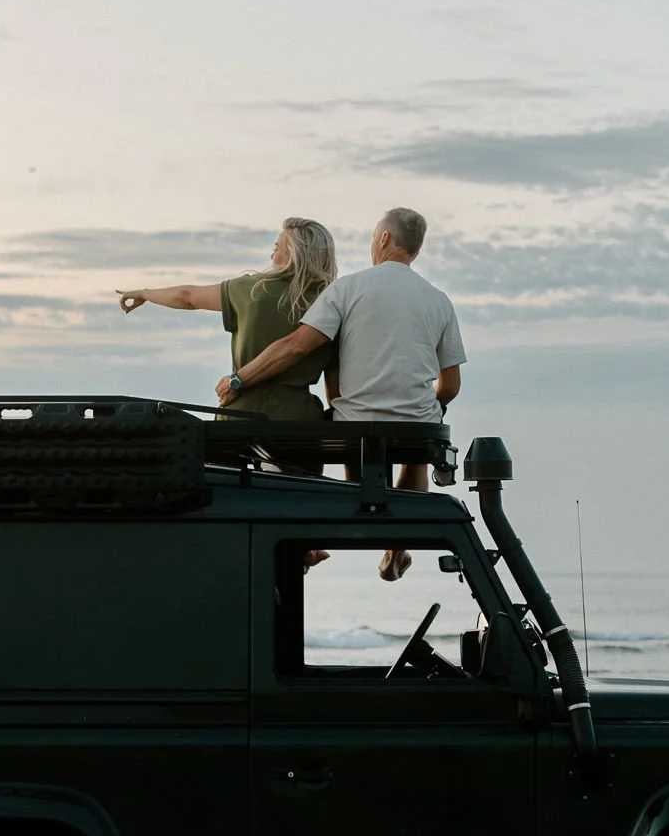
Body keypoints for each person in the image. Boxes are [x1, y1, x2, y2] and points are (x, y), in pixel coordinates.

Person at [216, 207, 464, 578]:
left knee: (342, 423)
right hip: (416, 421)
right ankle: (397, 545)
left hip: (356, 421)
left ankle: (330, 526)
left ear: (383, 239)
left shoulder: (348, 287)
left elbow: (298, 345)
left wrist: (240, 380)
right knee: (419, 439)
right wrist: (432, 405)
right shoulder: (439, 300)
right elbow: (451, 385)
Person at [118, 217, 338, 427]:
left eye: (277, 247)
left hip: (242, 414)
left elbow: (188, 297)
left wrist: (145, 294)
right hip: (297, 417)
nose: (272, 253)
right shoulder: (332, 300)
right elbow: (334, 376)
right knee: (305, 462)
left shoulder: (253, 289)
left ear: (291, 253)